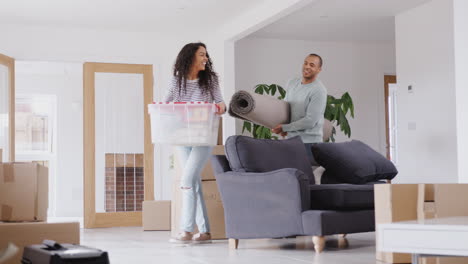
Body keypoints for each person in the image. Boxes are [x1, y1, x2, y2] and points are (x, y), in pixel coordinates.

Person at [164, 42, 226, 244]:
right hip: (182, 137)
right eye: (202, 54)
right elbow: (165, 106)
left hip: (203, 136)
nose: (206, 58)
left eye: (206, 55)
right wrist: (173, 108)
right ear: (190, 57)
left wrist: (218, 107)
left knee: (186, 180)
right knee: (194, 182)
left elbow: (222, 104)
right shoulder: (177, 81)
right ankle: (206, 232)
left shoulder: (210, 80)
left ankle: (187, 230)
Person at [271, 54, 327, 164]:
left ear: (319, 69)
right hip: (291, 141)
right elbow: (286, 106)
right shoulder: (292, 82)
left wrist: (285, 127)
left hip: (309, 144)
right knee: (289, 175)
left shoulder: (319, 90)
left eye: (312, 65)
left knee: (305, 178)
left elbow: (310, 121)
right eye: (305, 63)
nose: (307, 67)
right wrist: (284, 129)